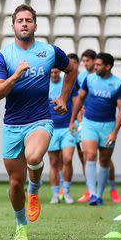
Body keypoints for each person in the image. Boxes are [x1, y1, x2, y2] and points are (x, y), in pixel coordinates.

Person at [0, 4, 76, 240]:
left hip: (40, 119)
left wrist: (63, 97)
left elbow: (72, 69)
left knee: (34, 157)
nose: (24, 24)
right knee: (15, 183)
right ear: (13, 25)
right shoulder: (4, 56)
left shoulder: (49, 51)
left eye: (28, 20)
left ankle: (35, 191)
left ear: (35, 25)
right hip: (12, 125)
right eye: (20, 20)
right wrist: (15, 76)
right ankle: (20, 224)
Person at [70, 52, 121, 206]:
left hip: (108, 126)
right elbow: (80, 98)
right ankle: (92, 194)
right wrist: (72, 120)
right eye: (94, 64)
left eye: (98, 65)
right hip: (89, 124)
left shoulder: (118, 84)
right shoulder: (89, 79)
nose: (94, 67)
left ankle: (100, 194)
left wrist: (115, 132)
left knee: (104, 160)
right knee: (89, 155)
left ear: (108, 67)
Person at [46, 55, 80, 205]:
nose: (54, 74)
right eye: (51, 72)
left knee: (67, 158)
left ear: (60, 72)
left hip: (67, 127)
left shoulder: (68, 84)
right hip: (50, 127)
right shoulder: (43, 85)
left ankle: (65, 191)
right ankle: (55, 193)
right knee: (53, 162)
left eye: (56, 72)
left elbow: (75, 104)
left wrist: (74, 121)